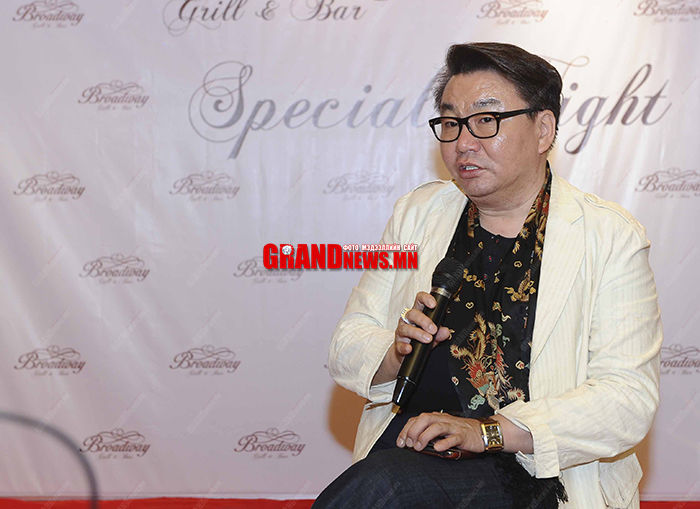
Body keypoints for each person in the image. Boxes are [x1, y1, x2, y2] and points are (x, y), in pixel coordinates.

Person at [314, 43, 662, 508]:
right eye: (451, 123)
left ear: (543, 129)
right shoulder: (416, 214)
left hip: (533, 471)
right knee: (386, 484)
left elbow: (627, 399)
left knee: (386, 488)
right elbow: (348, 342)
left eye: (485, 120)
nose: (463, 142)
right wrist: (395, 352)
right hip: (412, 446)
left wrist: (488, 432)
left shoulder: (609, 236)